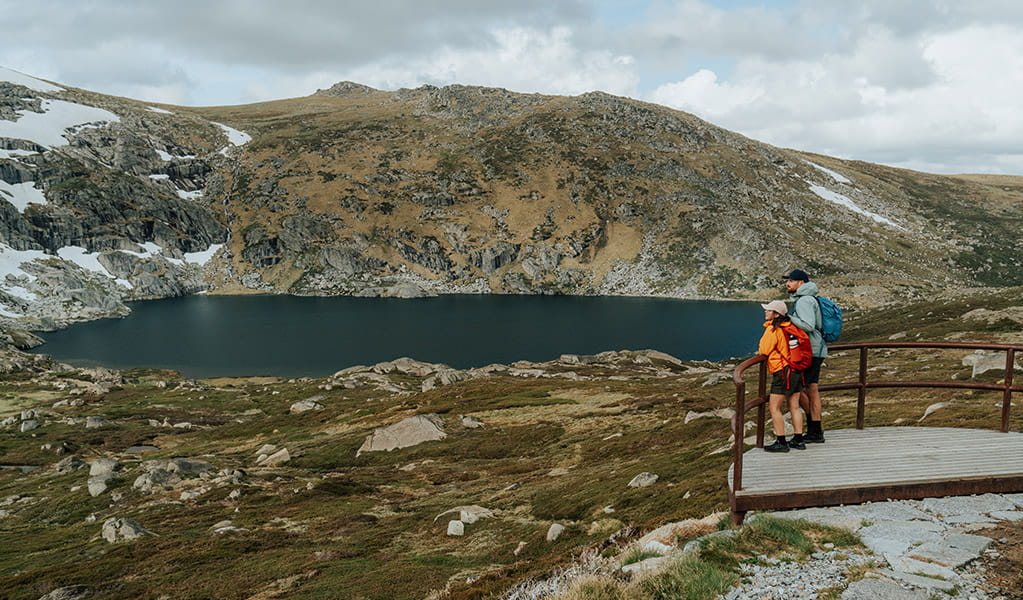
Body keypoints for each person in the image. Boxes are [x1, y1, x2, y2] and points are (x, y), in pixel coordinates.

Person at [783, 269, 827, 443]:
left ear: (801, 283)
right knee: (812, 389)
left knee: (797, 388)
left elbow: (808, 325)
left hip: (810, 351)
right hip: (817, 349)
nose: (787, 284)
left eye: (791, 281)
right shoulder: (810, 298)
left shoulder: (804, 301)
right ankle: (816, 431)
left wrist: (788, 318)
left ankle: (813, 430)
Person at [757, 300, 806, 452]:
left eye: (769, 310)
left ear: (776, 314)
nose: (765, 312)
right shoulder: (790, 326)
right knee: (794, 406)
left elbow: (764, 350)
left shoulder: (773, 329)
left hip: (783, 372)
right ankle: (798, 440)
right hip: (796, 370)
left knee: (774, 407)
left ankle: (781, 442)